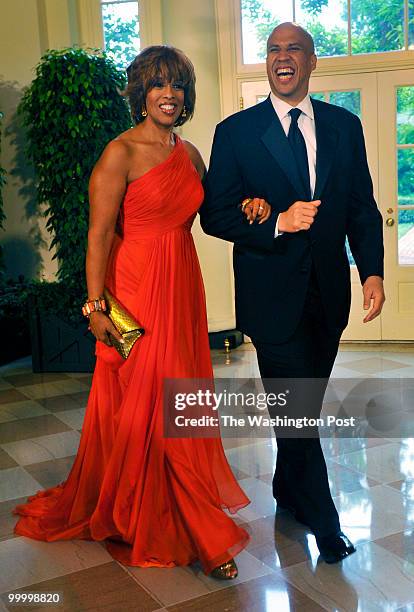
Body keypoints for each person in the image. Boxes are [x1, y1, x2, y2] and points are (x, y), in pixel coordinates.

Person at [13, 45, 250, 580]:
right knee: (145, 405)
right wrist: (95, 306)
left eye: (178, 86)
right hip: (135, 290)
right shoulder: (118, 152)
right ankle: (200, 533)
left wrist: (250, 206)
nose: (169, 94)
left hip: (183, 286)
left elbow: (213, 209)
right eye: (158, 84)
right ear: (141, 92)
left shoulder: (187, 154)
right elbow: (96, 237)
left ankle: (167, 507)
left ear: (186, 96)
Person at [200, 22, 385, 564]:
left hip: (329, 295)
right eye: (274, 49)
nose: (283, 58)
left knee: (302, 406)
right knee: (298, 410)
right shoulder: (236, 132)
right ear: (267, 62)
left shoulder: (344, 126)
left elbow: (361, 206)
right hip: (271, 297)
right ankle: (326, 520)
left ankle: (287, 487)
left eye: (294, 50)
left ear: (311, 61)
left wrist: (371, 271)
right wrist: (276, 221)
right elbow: (214, 214)